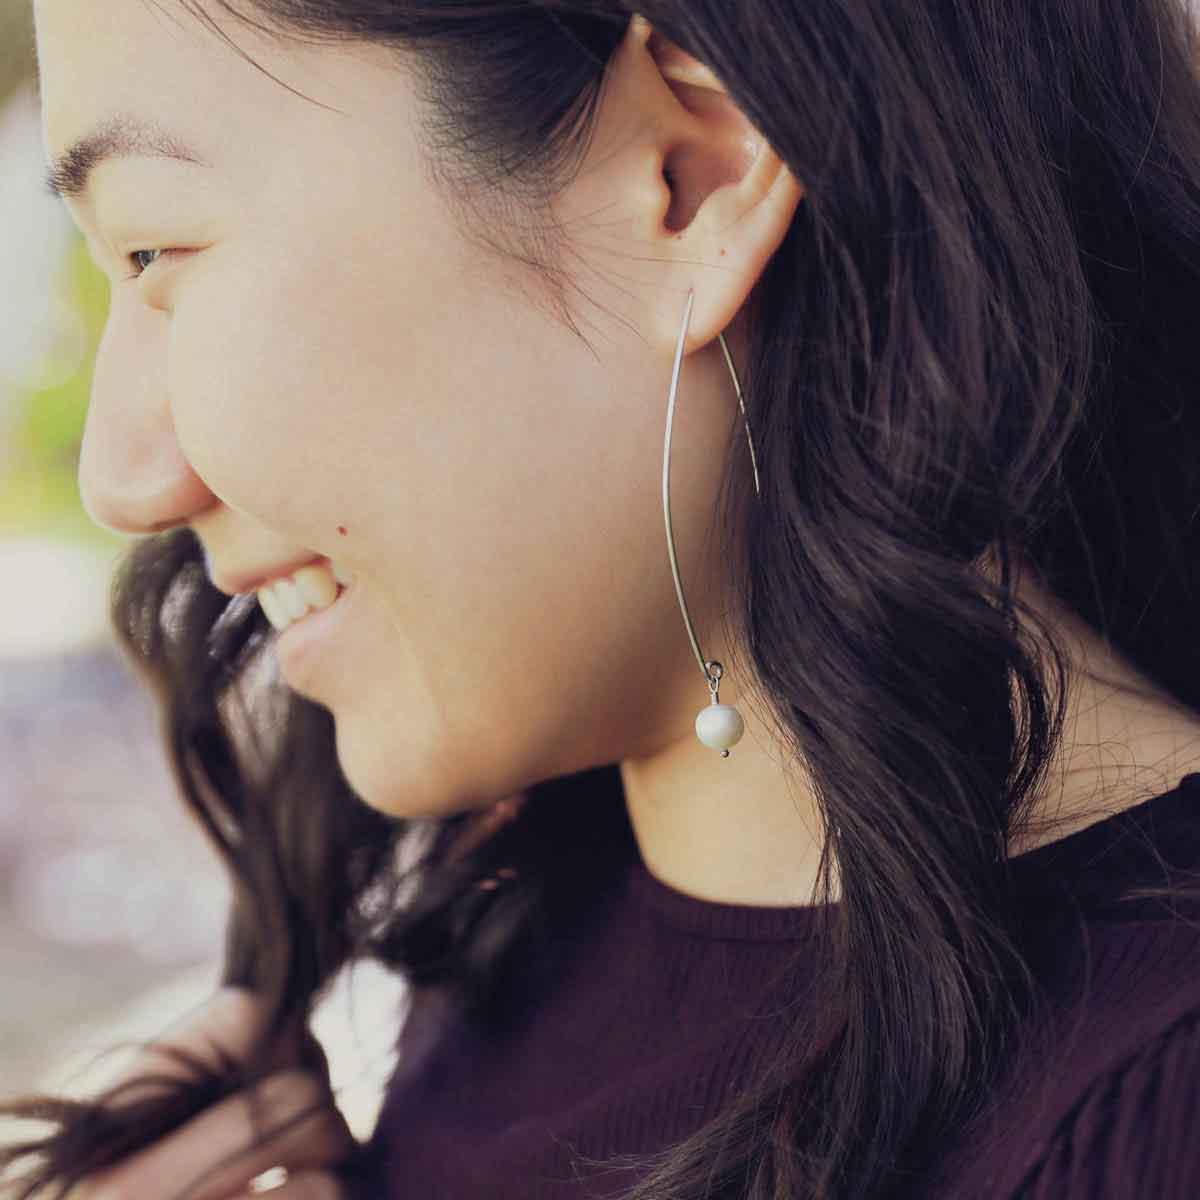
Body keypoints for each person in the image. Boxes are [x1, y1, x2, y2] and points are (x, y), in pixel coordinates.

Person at [5, 0, 1200, 1196]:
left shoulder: (1151, 1112)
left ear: (690, 175)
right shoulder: (519, 920)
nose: (125, 478)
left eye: (153, 250)